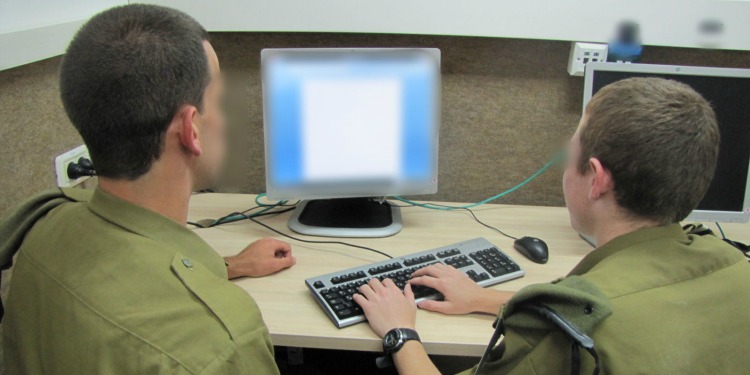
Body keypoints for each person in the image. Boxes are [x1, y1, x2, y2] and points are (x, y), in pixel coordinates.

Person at [354, 77, 750, 374]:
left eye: (570, 148)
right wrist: (484, 299)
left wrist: (400, 332)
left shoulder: (566, 335)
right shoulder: (736, 267)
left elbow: (588, 316)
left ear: (596, 178)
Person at [0, 4, 295, 374]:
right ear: (191, 129)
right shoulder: (220, 342)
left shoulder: (40, 226)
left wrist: (232, 265)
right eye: (218, 102)